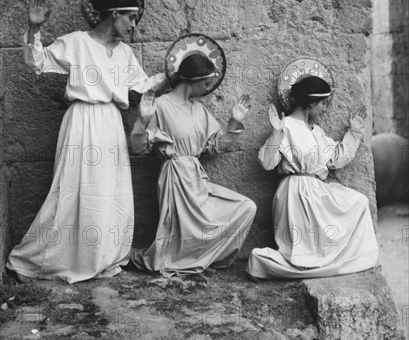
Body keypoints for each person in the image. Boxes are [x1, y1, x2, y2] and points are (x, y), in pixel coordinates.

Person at [6, 0, 165, 284]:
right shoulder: (76, 43)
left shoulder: (124, 55)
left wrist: (173, 72)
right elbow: (36, 60)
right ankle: (44, 258)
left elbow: (145, 85)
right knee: (72, 190)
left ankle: (101, 256)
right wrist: (33, 28)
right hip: (80, 123)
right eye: (130, 17)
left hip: (110, 126)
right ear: (114, 13)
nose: (134, 25)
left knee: (108, 193)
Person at [129, 50, 257, 277]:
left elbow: (213, 146)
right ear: (194, 80)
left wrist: (235, 122)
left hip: (197, 179)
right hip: (175, 176)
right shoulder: (161, 105)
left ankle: (203, 257)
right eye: (206, 83)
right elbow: (138, 147)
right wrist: (143, 119)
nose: (207, 89)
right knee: (180, 231)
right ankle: (176, 260)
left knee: (246, 207)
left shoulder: (199, 110)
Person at [247, 74, 379, 279]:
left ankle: (327, 260)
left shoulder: (316, 131)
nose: (325, 108)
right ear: (311, 102)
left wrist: (354, 132)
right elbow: (266, 162)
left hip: (316, 191)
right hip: (294, 195)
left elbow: (336, 159)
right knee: (301, 255)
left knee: (360, 202)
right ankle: (280, 263)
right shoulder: (286, 126)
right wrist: (275, 134)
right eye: (324, 103)